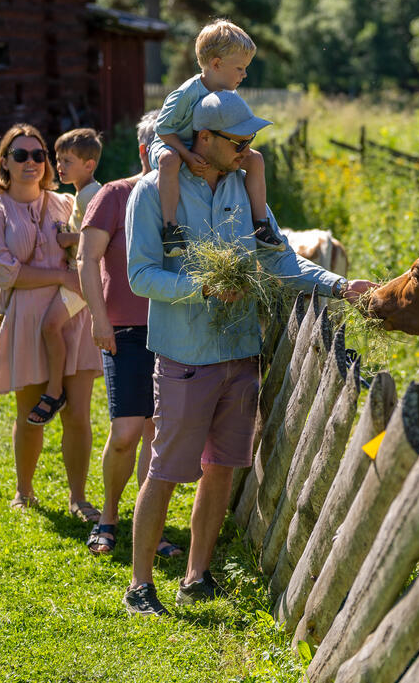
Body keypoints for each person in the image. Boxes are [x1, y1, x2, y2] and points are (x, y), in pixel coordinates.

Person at [122, 91, 374, 615]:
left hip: (240, 350)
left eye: (251, 140)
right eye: (239, 140)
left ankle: (196, 574)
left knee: (223, 466)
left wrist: (340, 285)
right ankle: (140, 586)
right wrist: (204, 287)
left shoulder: (245, 188)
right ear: (205, 138)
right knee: (167, 469)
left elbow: (280, 260)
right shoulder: (151, 193)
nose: (248, 148)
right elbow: (141, 275)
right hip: (185, 353)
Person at [0, 124, 102, 520]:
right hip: (27, 320)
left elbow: (91, 244)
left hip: (73, 316)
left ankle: (78, 498)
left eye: (38, 155)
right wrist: (63, 275)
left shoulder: (67, 203)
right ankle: (23, 491)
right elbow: (5, 272)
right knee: (30, 411)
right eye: (20, 155)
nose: (31, 162)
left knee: (77, 413)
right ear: (5, 164)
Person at [78, 111, 182, 559]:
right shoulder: (114, 195)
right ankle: (109, 515)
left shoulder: (183, 199)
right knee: (125, 431)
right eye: (164, 149)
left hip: (173, 327)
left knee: (157, 431)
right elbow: (86, 260)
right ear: (145, 150)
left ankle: (150, 525)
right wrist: (99, 320)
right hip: (124, 329)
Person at [150, 18, 284, 257]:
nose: (244, 74)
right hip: (174, 145)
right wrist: (188, 155)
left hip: (206, 148)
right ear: (216, 64)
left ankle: (261, 225)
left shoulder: (228, 92)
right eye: (240, 68)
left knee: (255, 160)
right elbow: (163, 130)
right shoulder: (186, 93)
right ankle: (170, 228)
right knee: (168, 161)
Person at [29, 128, 103, 426]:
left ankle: (55, 390)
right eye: (58, 160)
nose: (60, 166)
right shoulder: (80, 193)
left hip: (85, 276)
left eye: (67, 161)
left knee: (50, 325)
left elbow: (103, 238)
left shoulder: (92, 195)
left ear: (89, 165)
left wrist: (71, 238)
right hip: (77, 273)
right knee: (53, 327)